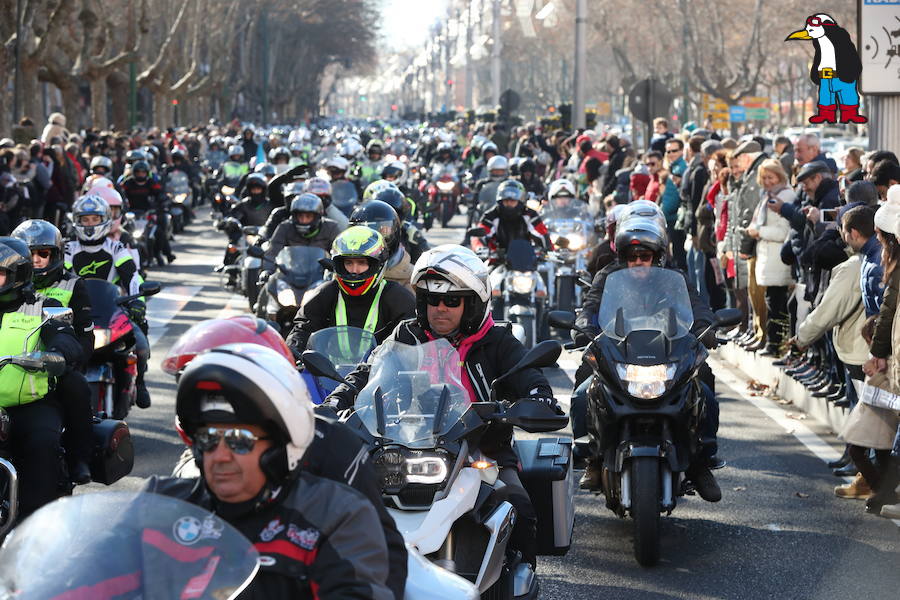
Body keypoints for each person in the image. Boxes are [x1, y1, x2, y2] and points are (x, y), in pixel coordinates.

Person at [327, 244, 559, 568]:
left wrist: (538, 400)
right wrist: (336, 399)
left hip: (482, 451)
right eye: (432, 299)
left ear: (474, 304)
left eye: (452, 300)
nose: (440, 308)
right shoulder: (406, 334)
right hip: (404, 447)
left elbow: (531, 378)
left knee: (518, 504)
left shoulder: (499, 342)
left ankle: (519, 580)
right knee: (341, 502)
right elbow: (368, 371)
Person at [144, 344, 394, 599]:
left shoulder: (336, 517)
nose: (219, 456)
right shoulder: (159, 503)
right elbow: (109, 576)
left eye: (238, 440)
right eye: (208, 438)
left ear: (279, 445)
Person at [574, 217, 721, 501]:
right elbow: (590, 307)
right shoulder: (607, 276)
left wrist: (706, 327)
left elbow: (696, 305)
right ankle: (592, 458)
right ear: (623, 256)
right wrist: (584, 328)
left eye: (645, 256)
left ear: (657, 256)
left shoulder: (674, 276)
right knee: (583, 390)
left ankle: (701, 462)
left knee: (704, 384)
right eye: (632, 256)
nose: (638, 262)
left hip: (666, 349)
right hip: (619, 348)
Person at [0, 237, 83, 518]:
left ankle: (36, 527)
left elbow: (66, 338)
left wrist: (58, 352)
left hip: (30, 405)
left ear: (18, 275)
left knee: (42, 445)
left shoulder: (43, 306)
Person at [11, 219, 94, 484]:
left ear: (56, 254)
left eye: (42, 254)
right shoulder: (9, 288)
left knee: (77, 386)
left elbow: (84, 336)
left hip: (57, 363)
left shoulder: (72, 286)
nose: (35, 260)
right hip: (12, 363)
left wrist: (65, 362)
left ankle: (79, 457)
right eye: (28, 253)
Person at [64, 194, 152, 409]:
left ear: (105, 220)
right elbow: (58, 280)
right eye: (85, 220)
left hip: (112, 311)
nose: (90, 224)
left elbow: (133, 276)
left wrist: (138, 301)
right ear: (77, 221)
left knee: (140, 345)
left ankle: (140, 384)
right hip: (75, 314)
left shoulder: (116, 248)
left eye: (95, 219)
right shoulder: (68, 249)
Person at [284, 226, 415, 356]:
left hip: (380, 374)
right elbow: (303, 329)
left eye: (362, 262)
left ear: (377, 265)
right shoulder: (326, 292)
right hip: (328, 374)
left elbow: (410, 341)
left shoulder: (397, 297)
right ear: (339, 264)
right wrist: (294, 354)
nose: (354, 270)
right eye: (348, 263)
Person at [745, 159, 794, 356]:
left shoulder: (786, 196)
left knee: (777, 303)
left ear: (780, 176)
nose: (767, 181)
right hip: (768, 257)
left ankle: (776, 344)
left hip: (778, 258)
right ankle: (772, 342)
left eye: (770, 177)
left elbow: (784, 232)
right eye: (764, 177)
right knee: (770, 300)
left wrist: (759, 231)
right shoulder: (767, 196)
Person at [119, 159, 176, 264]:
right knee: (122, 233)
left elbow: (160, 193)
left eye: (143, 172)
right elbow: (120, 195)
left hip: (148, 213)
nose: (141, 174)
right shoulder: (128, 183)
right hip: (132, 214)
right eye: (138, 172)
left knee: (159, 231)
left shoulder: (151, 182)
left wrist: (163, 202)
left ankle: (162, 253)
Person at [478, 179, 552, 254]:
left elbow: (542, 234)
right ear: (500, 200)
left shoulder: (529, 214)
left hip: (526, 258)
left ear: (520, 201)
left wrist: (550, 250)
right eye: (506, 200)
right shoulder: (491, 216)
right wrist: (480, 249)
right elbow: (480, 236)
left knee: (546, 265)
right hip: (497, 259)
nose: (509, 204)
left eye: (513, 201)